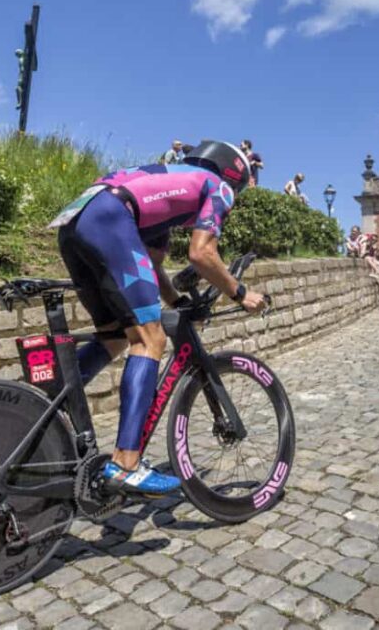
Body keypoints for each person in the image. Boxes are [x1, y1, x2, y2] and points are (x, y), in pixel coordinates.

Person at [51, 140, 265, 494]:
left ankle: (39, 403)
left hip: (80, 220)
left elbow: (151, 265)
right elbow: (202, 253)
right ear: (235, 173)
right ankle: (126, 464)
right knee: (150, 340)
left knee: (117, 335)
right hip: (110, 218)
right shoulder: (218, 187)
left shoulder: (171, 182)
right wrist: (241, 293)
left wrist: (176, 300)